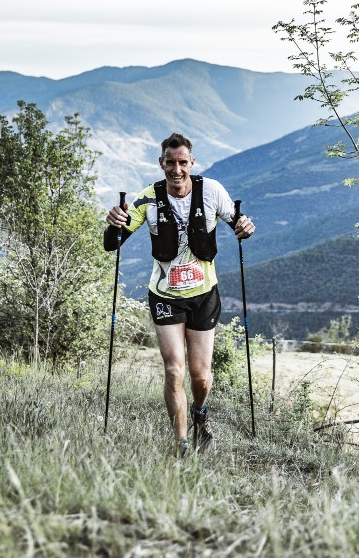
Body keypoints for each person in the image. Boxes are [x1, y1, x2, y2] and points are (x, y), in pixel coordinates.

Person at [104, 132, 255, 457]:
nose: (176, 169)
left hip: (203, 294)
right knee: (174, 369)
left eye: (182, 163)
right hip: (164, 295)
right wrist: (113, 225)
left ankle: (200, 412)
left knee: (200, 376)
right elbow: (112, 244)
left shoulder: (212, 191)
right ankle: (182, 443)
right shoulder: (147, 199)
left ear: (191, 163)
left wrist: (245, 227)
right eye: (170, 163)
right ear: (161, 163)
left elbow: (238, 223)